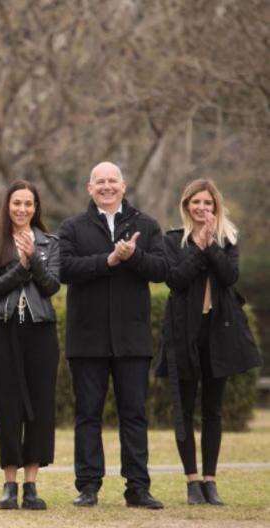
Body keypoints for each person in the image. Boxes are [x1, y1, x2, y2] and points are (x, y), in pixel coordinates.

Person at [58, 161, 168, 509]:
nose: (107, 187)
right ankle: (88, 485)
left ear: (124, 185)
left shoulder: (146, 225)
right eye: (100, 182)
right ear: (90, 188)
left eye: (112, 181)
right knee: (87, 415)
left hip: (132, 339)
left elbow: (163, 269)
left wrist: (133, 256)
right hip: (87, 339)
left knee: (134, 414)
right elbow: (63, 269)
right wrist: (107, 260)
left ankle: (138, 487)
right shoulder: (72, 227)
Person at [156, 179, 261, 505]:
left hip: (219, 334)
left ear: (216, 207)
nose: (202, 208)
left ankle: (210, 480)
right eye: (196, 203)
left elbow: (229, 277)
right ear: (186, 206)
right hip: (184, 333)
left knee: (213, 411)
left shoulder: (228, 239)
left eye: (208, 203)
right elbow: (175, 280)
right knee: (184, 409)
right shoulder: (173, 240)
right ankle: (191, 481)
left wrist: (210, 246)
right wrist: (198, 249)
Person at [0, 180, 60, 510]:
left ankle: (31, 484)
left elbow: (52, 285)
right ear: (7, 206)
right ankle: (9, 484)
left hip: (40, 331)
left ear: (36, 207)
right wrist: (22, 266)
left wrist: (34, 259)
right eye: (16, 203)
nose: (22, 209)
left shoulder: (50, 243)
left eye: (28, 203)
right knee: (8, 406)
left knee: (40, 406)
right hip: (5, 329)